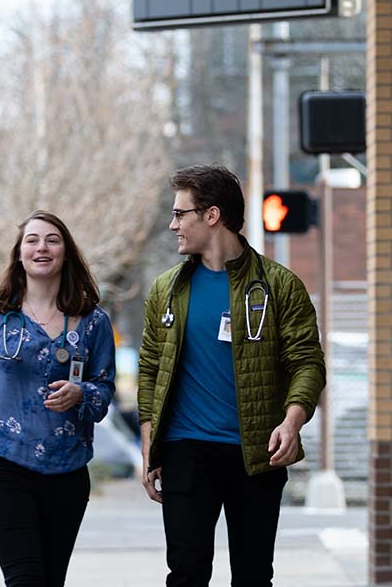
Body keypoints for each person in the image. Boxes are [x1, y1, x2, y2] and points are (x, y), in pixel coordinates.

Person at [138, 165, 327, 587]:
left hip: (258, 454)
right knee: (186, 573)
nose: (173, 225)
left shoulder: (279, 286)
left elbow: (307, 362)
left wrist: (292, 421)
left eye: (180, 214)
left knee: (253, 574)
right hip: (186, 451)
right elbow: (150, 369)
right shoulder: (166, 290)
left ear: (211, 216)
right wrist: (151, 449)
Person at [0, 210, 116, 587]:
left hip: (68, 472)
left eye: (52, 240)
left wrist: (82, 393)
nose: (42, 247)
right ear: (19, 253)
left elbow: (104, 391)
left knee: (50, 581)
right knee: (25, 580)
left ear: (65, 252)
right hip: (7, 465)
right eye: (32, 240)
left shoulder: (92, 321)